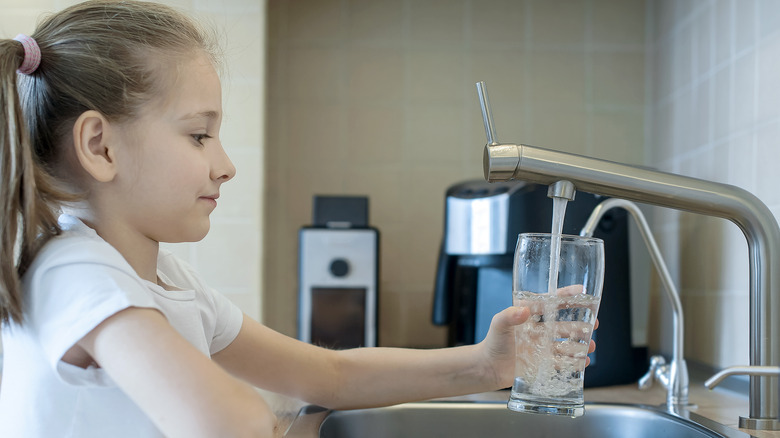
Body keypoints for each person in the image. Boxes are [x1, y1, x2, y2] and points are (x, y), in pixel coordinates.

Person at [0, 1, 595, 437]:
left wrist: (487, 363)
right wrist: (286, 430)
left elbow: (329, 375)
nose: (225, 165)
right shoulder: (76, 272)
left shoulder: (169, 284)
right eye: (199, 135)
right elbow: (227, 427)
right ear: (100, 147)